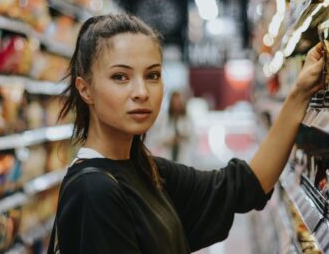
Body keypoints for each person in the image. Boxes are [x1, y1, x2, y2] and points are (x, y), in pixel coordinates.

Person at [48, 14, 324, 254]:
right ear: (85, 89)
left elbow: (245, 185)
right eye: (121, 77)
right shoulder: (94, 191)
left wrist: (300, 92)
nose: (142, 92)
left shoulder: (145, 170)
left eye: (153, 75)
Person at [148, 90, 196, 164]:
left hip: (183, 156)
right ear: (171, 103)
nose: (177, 105)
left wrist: (182, 137)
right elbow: (154, 138)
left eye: (178, 102)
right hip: (167, 155)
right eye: (175, 102)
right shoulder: (164, 118)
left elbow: (193, 137)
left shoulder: (187, 118)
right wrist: (169, 140)